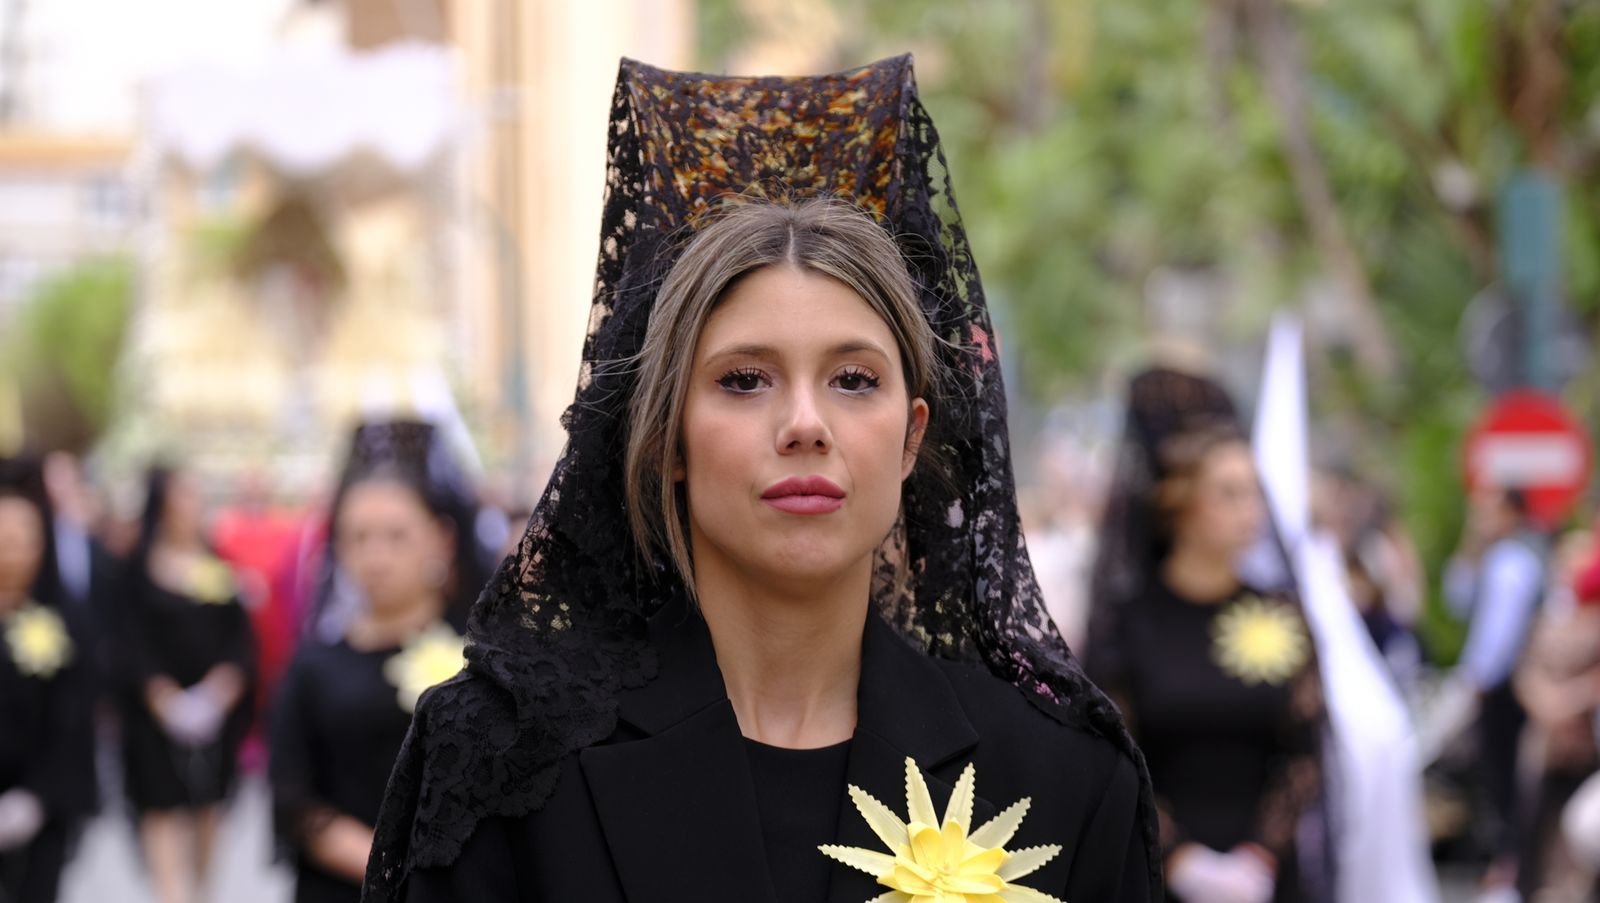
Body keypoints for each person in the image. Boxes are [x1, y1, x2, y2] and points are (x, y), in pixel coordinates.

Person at [363, 56, 1157, 903]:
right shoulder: (503, 759)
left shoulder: (1062, 776)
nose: (805, 423)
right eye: (744, 379)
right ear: (666, 435)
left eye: (855, 380)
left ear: (909, 438)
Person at [1088, 367, 1326, 903]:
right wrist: (1181, 860)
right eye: (1230, 494)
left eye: (1255, 494)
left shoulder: (1280, 612)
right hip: (1159, 876)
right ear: (1181, 505)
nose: (1252, 513)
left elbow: (1306, 749)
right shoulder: (1130, 623)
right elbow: (1116, 754)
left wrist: (1260, 857)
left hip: (1267, 878)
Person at [271, 421, 469, 903]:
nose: (376, 556)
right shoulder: (312, 666)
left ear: (440, 540)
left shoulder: (481, 655)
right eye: (359, 538)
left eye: (395, 536)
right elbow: (294, 799)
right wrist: (388, 870)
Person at [117, 466, 255, 903]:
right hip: (153, 720)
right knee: (161, 811)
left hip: (216, 716)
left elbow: (240, 639)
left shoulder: (220, 565)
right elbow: (127, 641)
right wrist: (163, 698)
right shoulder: (136, 569)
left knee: (209, 812)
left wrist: (220, 691)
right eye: (183, 496)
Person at [0, 457, 96, 903]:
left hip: (42, 808)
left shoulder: (61, 624)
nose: (12, 550)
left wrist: (37, 797)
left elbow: (73, 719)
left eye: (24, 538)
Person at [1442, 486, 1547, 895]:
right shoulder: (1492, 557)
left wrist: (1479, 682)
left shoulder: (1515, 562)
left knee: (1507, 779)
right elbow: (1458, 599)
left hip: (1507, 690)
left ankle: (1511, 869)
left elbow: (1499, 636)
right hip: (1493, 687)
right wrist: (1471, 543)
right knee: (1495, 778)